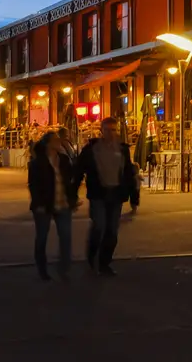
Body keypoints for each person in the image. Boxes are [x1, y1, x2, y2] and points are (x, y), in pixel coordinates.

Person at [75, 116, 140, 275]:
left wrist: (134, 196)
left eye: (114, 130)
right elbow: (78, 170)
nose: (111, 133)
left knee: (112, 230)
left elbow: (128, 173)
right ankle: (92, 257)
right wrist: (72, 193)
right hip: (99, 194)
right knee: (99, 226)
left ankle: (104, 263)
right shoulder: (92, 149)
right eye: (108, 130)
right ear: (101, 131)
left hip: (116, 194)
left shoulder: (122, 149)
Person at [27, 129, 81, 280]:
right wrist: (38, 203)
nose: (59, 142)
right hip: (44, 205)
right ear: (48, 144)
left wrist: (73, 198)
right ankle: (42, 269)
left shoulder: (63, 160)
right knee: (42, 237)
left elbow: (69, 182)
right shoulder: (37, 163)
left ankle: (64, 269)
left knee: (66, 237)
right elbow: (33, 185)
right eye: (56, 140)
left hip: (62, 204)